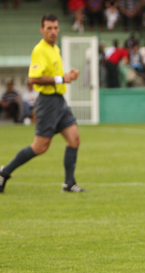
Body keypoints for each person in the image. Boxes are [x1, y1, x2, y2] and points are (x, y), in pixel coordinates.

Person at [0, 14, 85, 194]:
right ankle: (4, 172)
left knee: (74, 138)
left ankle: (69, 184)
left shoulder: (55, 48)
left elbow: (55, 75)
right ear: (42, 30)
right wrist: (62, 78)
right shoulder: (40, 50)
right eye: (49, 28)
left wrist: (67, 75)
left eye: (55, 28)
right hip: (47, 102)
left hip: (59, 101)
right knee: (40, 147)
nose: (53, 32)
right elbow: (34, 78)